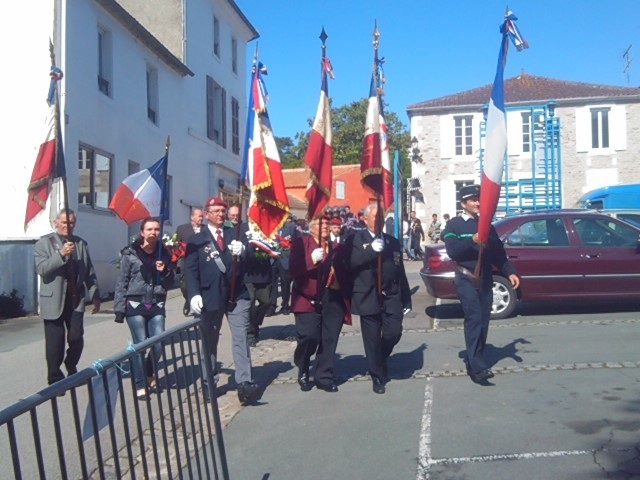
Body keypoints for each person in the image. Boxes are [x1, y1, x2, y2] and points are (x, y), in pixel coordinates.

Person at [184, 197, 262, 405]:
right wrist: (194, 294)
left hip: (237, 294)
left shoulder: (234, 234)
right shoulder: (197, 240)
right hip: (210, 296)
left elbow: (253, 262)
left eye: (222, 211)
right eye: (216, 211)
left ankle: (244, 383)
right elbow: (190, 270)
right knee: (210, 341)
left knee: (240, 339)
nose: (220, 214)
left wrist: (244, 251)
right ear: (207, 213)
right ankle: (209, 381)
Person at [441, 184, 520, 384]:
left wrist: (509, 272)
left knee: (484, 320)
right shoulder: (454, 225)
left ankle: (475, 356)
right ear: (463, 203)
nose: (477, 203)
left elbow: (498, 253)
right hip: (466, 277)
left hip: (485, 278)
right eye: (473, 200)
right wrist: (473, 241)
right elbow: (454, 251)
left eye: (479, 199)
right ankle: (478, 367)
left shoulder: (487, 225)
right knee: (474, 317)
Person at [344, 203, 411, 394]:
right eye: (375, 216)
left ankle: (379, 358)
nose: (379, 220)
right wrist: (371, 251)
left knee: (394, 332)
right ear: (364, 219)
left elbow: (400, 271)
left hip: (391, 294)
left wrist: (406, 297)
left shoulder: (392, 241)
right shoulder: (355, 239)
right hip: (368, 295)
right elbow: (350, 263)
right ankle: (377, 375)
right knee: (371, 338)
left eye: (381, 216)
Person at [34, 208, 100, 385]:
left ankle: (71, 364)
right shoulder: (44, 243)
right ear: (56, 223)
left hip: (75, 299)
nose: (67, 226)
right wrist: (61, 254)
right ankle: (55, 378)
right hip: (53, 300)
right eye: (64, 222)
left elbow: (89, 271)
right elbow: (42, 269)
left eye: (71, 223)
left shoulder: (81, 244)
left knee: (76, 338)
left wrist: (95, 294)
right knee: (55, 343)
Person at [114, 217, 174, 400]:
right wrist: (119, 308)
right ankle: (140, 384)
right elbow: (122, 281)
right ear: (142, 232)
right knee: (140, 344)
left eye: (156, 229)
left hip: (156, 302)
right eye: (149, 229)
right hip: (135, 302)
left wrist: (164, 271)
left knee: (158, 343)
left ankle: (149, 371)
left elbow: (172, 281)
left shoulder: (164, 253)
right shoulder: (130, 254)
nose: (153, 232)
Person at [290, 216, 350, 392]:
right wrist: (311, 260)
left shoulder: (337, 248)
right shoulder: (301, 244)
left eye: (327, 224)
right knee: (309, 336)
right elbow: (292, 270)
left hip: (331, 299)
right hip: (306, 299)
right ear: (311, 228)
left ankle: (324, 376)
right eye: (320, 224)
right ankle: (303, 364)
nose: (325, 226)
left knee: (329, 339)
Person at [176, 208, 204, 315]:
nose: (201, 218)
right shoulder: (182, 229)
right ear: (192, 217)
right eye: (199, 216)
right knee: (184, 286)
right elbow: (176, 244)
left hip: (201, 263)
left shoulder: (205, 229)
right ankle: (188, 300)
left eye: (202, 216)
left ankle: (197, 304)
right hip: (186, 262)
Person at [268, 215, 297, 316]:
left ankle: (285, 306)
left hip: (285, 259)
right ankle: (272, 306)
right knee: (272, 284)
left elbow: (296, 242)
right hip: (272, 259)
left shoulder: (291, 227)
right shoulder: (270, 227)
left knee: (285, 284)